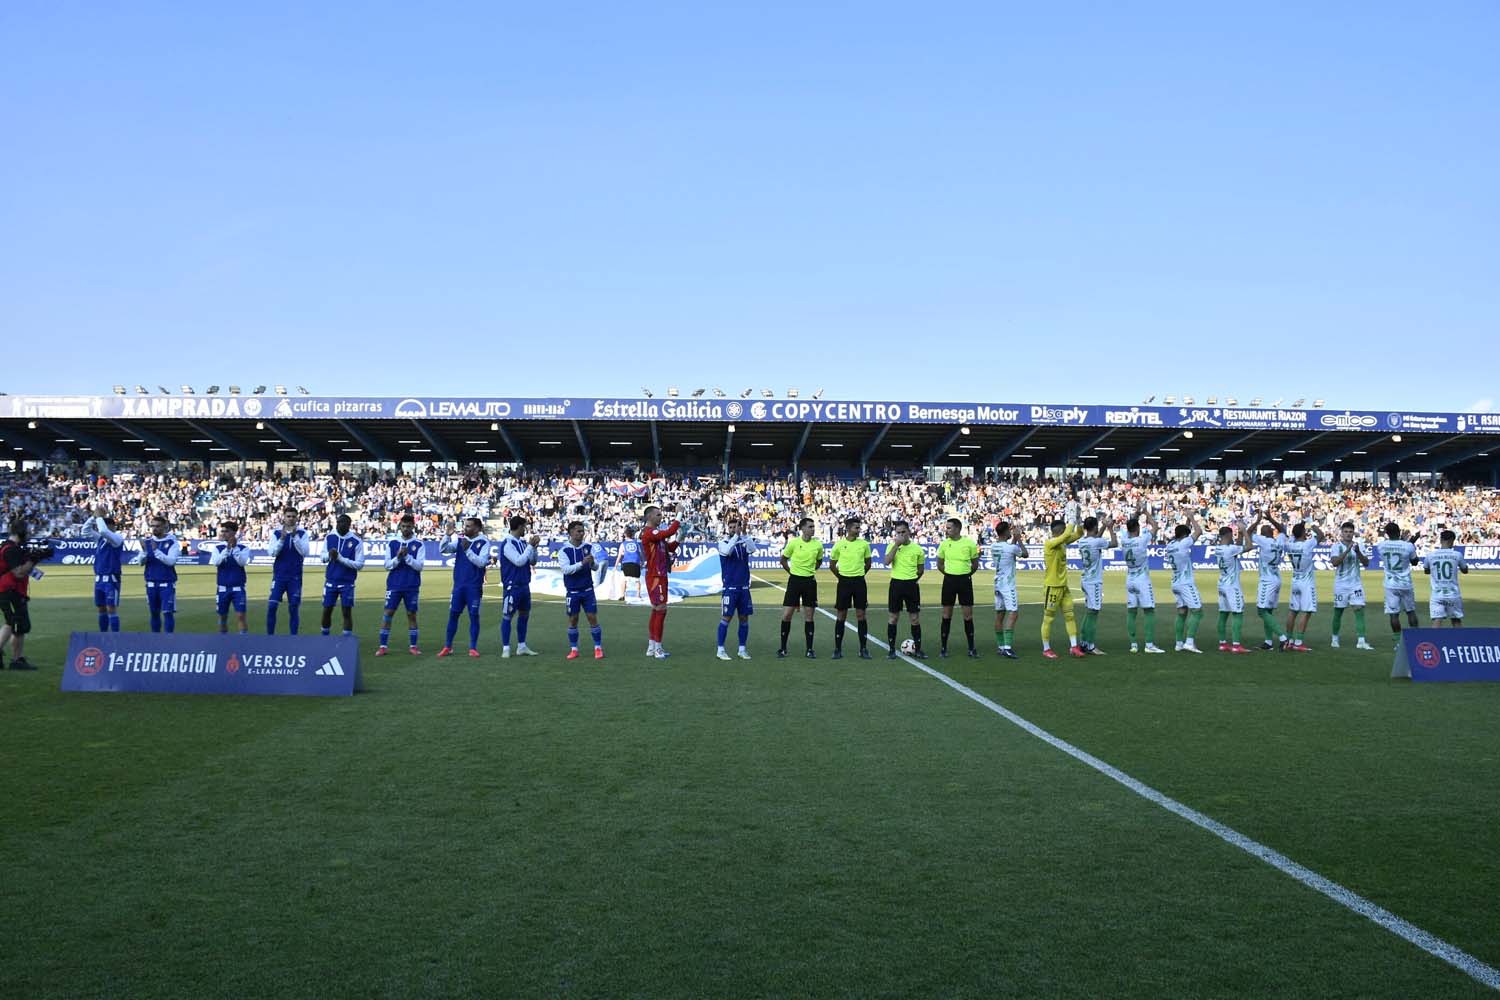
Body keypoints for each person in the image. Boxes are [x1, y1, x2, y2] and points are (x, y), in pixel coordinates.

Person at [439, 517, 490, 658]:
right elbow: (443, 549)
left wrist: (467, 550)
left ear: (477, 529)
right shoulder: (460, 540)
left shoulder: (483, 542)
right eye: (465, 525)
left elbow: (481, 563)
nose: (465, 528)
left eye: (468, 526)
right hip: (459, 586)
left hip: (474, 587)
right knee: (453, 615)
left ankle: (473, 647)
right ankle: (448, 646)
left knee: (474, 616)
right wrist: (447, 535)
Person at [1119, 503, 1165, 653]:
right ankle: (1149, 645)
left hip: (1130, 579)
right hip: (1142, 580)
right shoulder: (1142, 539)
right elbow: (1155, 526)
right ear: (1138, 528)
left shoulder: (1124, 540)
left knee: (1132, 611)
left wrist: (1136, 514)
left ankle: (1133, 645)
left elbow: (1130, 526)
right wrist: (1145, 512)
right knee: (1149, 611)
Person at [378, 512, 425, 656]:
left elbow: (419, 566)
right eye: (403, 526)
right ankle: (383, 646)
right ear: (399, 526)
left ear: (413, 527)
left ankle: (413, 646)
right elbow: (387, 565)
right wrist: (398, 557)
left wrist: (408, 556)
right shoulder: (392, 543)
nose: (406, 529)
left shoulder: (418, 544)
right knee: (388, 613)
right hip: (394, 585)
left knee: (411, 614)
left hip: (411, 585)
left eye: (408, 526)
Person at [557, 521, 605, 660]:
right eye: (578, 531)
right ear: (571, 532)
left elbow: (595, 568)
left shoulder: (588, 547)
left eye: (582, 531)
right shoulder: (563, 551)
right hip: (572, 591)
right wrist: (582, 563)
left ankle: (598, 648)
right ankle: (574, 649)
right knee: (573, 619)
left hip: (588, 589)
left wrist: (591, 562)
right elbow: (566, 570)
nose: (581, 533)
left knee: (592, 618)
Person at [1040, 513, 1085, 659]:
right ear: (1059, 531)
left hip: (1064, 586)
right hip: (1052, 586)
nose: (1068, 532)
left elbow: (1078, 534)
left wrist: (1078, 521)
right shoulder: (1049, 543)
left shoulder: (1063, 541)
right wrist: (1071, 520)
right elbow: (1067, 534)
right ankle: (1046, 649)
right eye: (1065, 530)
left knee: (1070, 616)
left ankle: (1074, 646)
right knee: (1048, 618)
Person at [640, 505, 681, 659]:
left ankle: (652, 646)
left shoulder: (656, 535)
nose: (661, 517)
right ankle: (658, 647)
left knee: (656, 609)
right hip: (655, 576)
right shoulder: (649, 533)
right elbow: (669, 531)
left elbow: (669, 548)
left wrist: (679, 538)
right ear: (649, 516)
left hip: (659, 575)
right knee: (661, 609)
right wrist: (679, 515)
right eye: (658, 515)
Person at [0, 520, 43, 670]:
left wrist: (32, 559)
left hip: (8, 590)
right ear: (21, 532)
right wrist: (34, 559)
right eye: (27, 531)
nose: (30, 534)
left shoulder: (10, 547)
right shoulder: (11, 550)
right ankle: (16, 660)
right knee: (20, 625)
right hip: (10, 590)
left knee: (11, 622)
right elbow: (18, 573)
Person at [779, 516, 823, 659]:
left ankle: (809, 649)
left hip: (809, 582)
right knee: (787, 615)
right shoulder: (793, 543)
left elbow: (819, 561)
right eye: (810, 527)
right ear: (802, 528)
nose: (812, 529)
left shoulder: (818, 545)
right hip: (794, 582)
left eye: (813, 526)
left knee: (809, 616)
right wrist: (792, 572)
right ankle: (783, 648)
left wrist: (810, 571)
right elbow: (783, 559)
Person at [829, 516, 873, 660]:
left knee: (861, 615)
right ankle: (837, 649)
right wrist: (842, 577)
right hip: (844, 583)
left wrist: (859, 575)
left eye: (859, 527)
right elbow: (832, 565)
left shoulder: (864, 544)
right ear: (848, 529)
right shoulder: (839, 545)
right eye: (856, 527)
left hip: (859, 582)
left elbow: (868, 563)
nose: (859, 530)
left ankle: (863, 649)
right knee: (841, 615)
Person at [498, 516, 541, 657]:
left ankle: (521, 646)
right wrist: (529, 546)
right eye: (524, 526)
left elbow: (532, 561)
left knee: (524, 615)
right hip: (512, 586)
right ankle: (506, 648)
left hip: (524, 585)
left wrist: (534, 548)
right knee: (507, 616)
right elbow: (519, 561)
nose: (526, 529)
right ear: (519, 526)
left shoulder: (522, 543)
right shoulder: (507, 544)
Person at [936, 517, 979, 658]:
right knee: (946, 614)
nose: (946, 530)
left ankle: (971, 648)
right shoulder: (944, 544)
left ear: (957, 529)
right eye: (946, 528)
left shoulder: (969, 544)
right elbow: (940, 564)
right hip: (949, 581)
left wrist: (965, 575)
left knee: (967, 615)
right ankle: (943, 648)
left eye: (949, 528)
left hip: (965, 581)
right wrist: (949, 574)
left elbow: (974, 564)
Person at [716, 511, 756, 661]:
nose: (734, 529)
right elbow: (726, 552)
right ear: (728, 529)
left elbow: (752, 549)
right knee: (726, 618)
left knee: (744, 618)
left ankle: (742, 649)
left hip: (744, 588)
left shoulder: (742, 542)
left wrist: (744, 534)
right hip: (730, 588)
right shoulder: (724, 543)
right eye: (732, 527)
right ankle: (720, 649)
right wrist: (736, 537)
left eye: (736, 527)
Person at [1245, 512, 1289, 650]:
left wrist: (1257, 520)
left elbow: (1248, 532)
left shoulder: (1264, 541)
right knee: (1268, 612)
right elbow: (1283, 530)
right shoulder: (1279, 540)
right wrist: (1270, 518)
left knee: (1261, 611)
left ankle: (1283, 638)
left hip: (1267, 580)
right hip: (1276, 578)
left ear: (1264, 534)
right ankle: (1268, 642)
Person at [1282, 512, 1325, 651]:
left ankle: (1288, 640)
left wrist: (1300, 526)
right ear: (1304, 534)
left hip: (1295, 580)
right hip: (1306, 582)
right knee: (1307, 612)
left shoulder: (1289, 545)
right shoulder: (1307, 544)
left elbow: (1293, 537)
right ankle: (1299, 643)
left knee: (1293, 611)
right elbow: (1321, 535)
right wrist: (1310, 523)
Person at [884, 520, 926, 659]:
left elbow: (920, 570)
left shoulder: (917, 549)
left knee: (914, 618)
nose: (901, 535)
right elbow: (887, 561)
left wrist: (912, 580)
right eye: (898, 533)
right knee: (893, 617)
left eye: (903, 532)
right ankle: (891, 650)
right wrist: (896, 545)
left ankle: (918, 649)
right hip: (896, 584)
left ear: (909, 532)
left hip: (911, 585)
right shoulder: (892, 546)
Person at [1329, 520, 1374, 650]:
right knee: (1338, 611)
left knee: (1359, 610)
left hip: (1355, 584)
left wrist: (1358, 552)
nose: (1348, 534)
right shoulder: (1336, 546)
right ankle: (1334, 639)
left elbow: (1366, 563)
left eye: (1350, 532)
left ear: (1353, 533)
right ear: (1341, 533)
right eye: (1346, 532)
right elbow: (1335, 563)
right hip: (1341, 584)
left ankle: (1361, 641)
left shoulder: (1359, 546)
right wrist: (1347, 550)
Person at [1076, 515, 1117, 655]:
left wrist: (1103, 526)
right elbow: (1114, 543)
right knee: (1094, 613)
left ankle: (1083, 642)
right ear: (1095, 527)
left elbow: (1096, 539)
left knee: (1089, 612)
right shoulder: (1097, 542)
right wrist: (1110, 528)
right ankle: (1091, 646)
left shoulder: (1082, 541)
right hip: (1094, 582)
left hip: (1085, 579)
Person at [1376, 522, 1421, 648]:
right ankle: (1416, 640)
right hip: (1405, 583)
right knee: (1410, 611)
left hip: (1390, 584)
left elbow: (1395, 547)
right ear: (1399, 531)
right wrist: (1412, 542)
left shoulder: (1381, 546)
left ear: (1386, 533)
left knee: (1394, 614)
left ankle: (1398, 643)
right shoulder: (1408, 546)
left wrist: (1409, 541)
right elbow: (1415, 562)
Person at [320, 513, 365, 637]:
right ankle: (324, 637)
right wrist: (329, 555)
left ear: (349, 525)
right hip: (331, 580)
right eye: (339, 522)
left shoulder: (356, 541)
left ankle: (346, 641)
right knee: (327, 610)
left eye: (343, 523)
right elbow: (322, 557)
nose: (340, 525)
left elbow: (359, 565)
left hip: (347, 582)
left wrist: (340, 558)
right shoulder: (330, 537)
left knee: (346, 612)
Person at [266, 508, 310, 635]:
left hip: (295, 577)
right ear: (284, 517)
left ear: (297, 518)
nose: (291, 518)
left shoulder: (302, 533)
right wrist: (281, 540)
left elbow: (305, 552)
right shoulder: (276, 533)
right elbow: (272, 553)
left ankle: (293, 637)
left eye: (293, 516)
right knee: (272, 606)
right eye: (288, 516)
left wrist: (295, 537)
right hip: (279, 576)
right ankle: (270, 637)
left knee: (293, 608)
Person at [987, 520, 1027, 659]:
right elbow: (1025, 553)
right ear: (1005, 532)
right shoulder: (1010, 548)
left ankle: (1001, 646)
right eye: (1009, 531)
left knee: (1000, 614)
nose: (1011, 532)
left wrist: (1014, 539)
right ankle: (1008, 648)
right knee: (1013, 613)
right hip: (1007, 585)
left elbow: (1009, 550)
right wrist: (1019, 539)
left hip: (998, 583)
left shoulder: (994, 546)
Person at [1166, 514, 1204, 653]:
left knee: (1182, 612)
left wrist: (1186, 522)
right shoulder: (1184, 543)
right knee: (1198, 611)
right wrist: (1192, 517)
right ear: (1185, 536)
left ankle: (1179, 643)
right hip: (1186, 582)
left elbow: (1183, 533)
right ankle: (1189, 642)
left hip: (1175, 582)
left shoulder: (1170, 545)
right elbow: (1199, 531)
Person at [1212, 522, 1251, 653]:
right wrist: (1244, 531)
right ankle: (1236, 645)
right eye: (1232, 535)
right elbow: (1249, 546)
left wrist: (1239, 534)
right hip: (1232, 585)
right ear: (1228, 535)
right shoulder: (1230, 549)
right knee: (1237, 613)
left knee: (1223, 613)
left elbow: (1237, 546)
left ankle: (1222, 643)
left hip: (1222, 583)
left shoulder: (1218, 548)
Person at [85, 505, 124, 632]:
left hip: (111, 579)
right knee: (101, 607)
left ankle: (115, 636)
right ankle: (103, 635)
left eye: (108, 526)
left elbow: (103, 531)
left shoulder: (117, 539)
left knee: (111, 607)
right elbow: (85, 530)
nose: (104, 528)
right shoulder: (101, 540)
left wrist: (99, 517)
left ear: (113, 527)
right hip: (99, 579)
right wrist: (93, 517)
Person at [209, 520, 251, 634]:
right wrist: (227, 549)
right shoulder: (217, 548)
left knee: (241, 616)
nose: (223, 533)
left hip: (238, 588)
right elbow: (216, 562)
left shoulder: (243, 548)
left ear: (233, 532)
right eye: (222, 531)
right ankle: (223, 640)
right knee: (222, 618)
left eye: (226, 531)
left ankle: (243, 641)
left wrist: (235, 548)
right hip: (222, 588)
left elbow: (242, 562)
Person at [142, 514, 181, 634]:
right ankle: (155, 640)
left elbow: (171, 561)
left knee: (167, 612)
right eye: (153, 526)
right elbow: (140, 562)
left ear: (164, 527)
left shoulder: (172, 543)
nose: (154, 529)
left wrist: (156, 551)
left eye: (158, 526)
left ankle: (168, 640)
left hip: (167, 583)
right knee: (154, 613)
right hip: (151, 583)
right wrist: (144, 552)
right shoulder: (148, 542)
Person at [1422, 529, 1469, 627]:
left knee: (1437, 621)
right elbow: (1465, 570)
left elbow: (1426, 571)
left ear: (1441, 540)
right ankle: (1459, 642)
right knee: (1456, 621)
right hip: (1453, 594)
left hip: (1437, 594)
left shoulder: (1430, 555)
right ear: (1452, 540)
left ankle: (1434, 642)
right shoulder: (1457, 555)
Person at [616, 526, 644, 604]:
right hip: (635, 562)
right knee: (637, 580)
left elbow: (619, 556)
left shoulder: (623, 544)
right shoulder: (636, 543)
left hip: (626, 562)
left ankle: (622, 595)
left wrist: (615, 565)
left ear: (625, 535)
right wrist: (642, 562)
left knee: (624, 580)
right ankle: (638, 595)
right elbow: (640, 554)